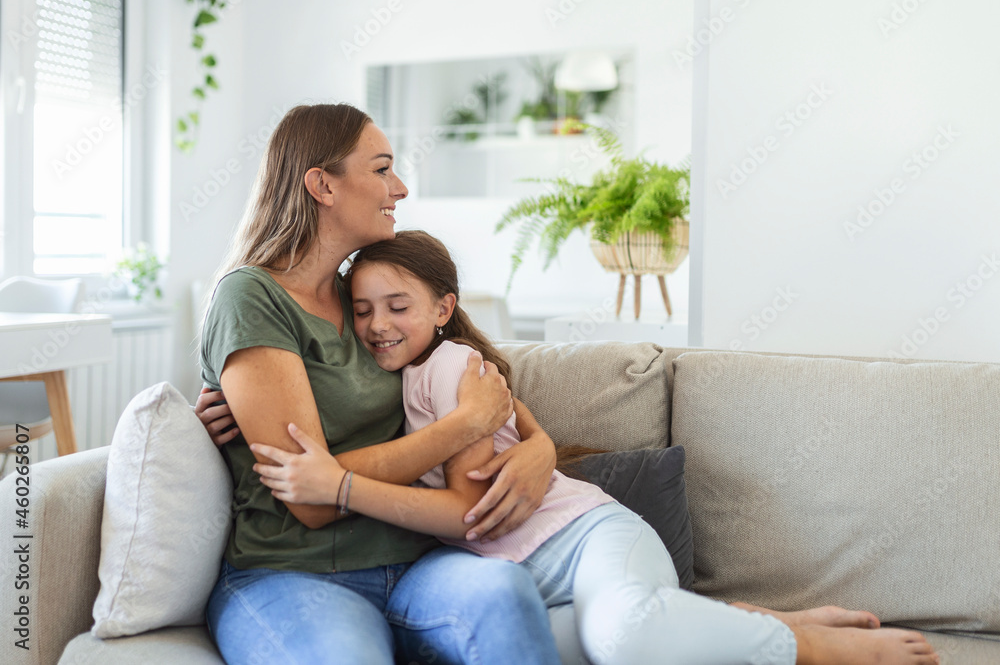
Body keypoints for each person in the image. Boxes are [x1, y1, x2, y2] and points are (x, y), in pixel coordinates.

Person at [235, 230, 940, 665]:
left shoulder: (453, 368)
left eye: (398, 306)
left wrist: (340, 487)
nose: (377, 325)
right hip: (534, 578)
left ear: (443, 308)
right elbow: (320, 401)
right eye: (361, 311)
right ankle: (780, 619)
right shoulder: (396, 380)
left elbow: (467, 513)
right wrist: (239, 416)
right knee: (593, 647)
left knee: (624, 637)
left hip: (582, 538)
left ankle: (812, 648)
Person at [197, 103, 562, 664]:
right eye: (382, 169)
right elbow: (310, 498)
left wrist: (540, 446)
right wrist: (464, 426)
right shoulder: (250, 298)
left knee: (504, 595)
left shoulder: (366, 300)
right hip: (294, 572)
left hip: (419, 563)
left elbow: (472, 375)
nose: (402, 187)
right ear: (322, 185)